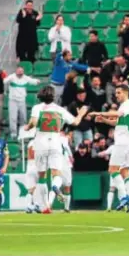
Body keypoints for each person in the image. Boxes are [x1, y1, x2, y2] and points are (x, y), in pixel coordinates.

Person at [24, 86, 88, 214]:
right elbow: (75, 122)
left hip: (40, 143)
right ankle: (55, 185)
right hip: (55, 142)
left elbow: (34, 122)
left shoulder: (37, 108)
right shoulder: (60, 110)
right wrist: (81, 113)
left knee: (41, 177)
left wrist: (28, 126)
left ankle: (45, 207)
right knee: (56, 173)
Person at [88, 84, 129, 212]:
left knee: (112, 169)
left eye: (119, 92)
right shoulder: (126, 106)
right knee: (124, 171)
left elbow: (117, 114)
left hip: (123, 142)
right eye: (116, 93)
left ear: (126, 93)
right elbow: (118, 122)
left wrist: (98, 112)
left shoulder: (127, 105)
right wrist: (105, 120)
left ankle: (124, 196)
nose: (116, 95)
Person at [4, 66, 40, 140]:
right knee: (13, 117)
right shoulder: (12, 77)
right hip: (13, 100)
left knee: (23, 117)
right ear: (16, 71)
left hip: (22, 101)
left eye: (22, 71)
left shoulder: (25, 77)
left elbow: (32, 81)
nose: (20, 73)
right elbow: (4, 81)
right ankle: (13, 133)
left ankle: (22, 132)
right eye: (19, 71)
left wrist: (37, 81)